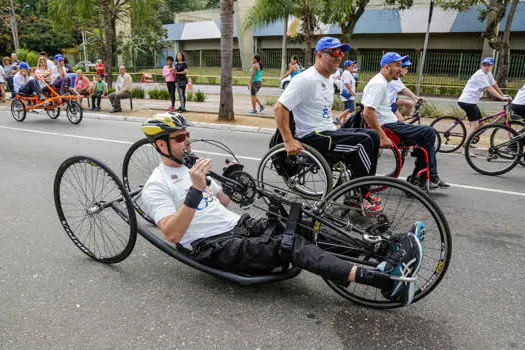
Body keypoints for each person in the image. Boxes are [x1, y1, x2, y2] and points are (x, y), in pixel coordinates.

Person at [140, 113, 425, 305]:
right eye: (179, 138)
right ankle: (385, 281)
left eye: (187, 135)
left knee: (301, 221)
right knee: (291, 245)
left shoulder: (193, 168)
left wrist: (233, 180)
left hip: (240, 225)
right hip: (213, 245)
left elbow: (225, 202)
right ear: (161, 144)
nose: (186, 141)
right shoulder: (156, 186)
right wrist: (195, 189)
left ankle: (385, 248)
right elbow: (173, 234)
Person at [274, 37, 381, 215]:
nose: (338, 57)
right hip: (312, 137)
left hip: (327, 131)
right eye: (333, 53)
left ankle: (359, 190)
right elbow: (279, 108)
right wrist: (288, 140)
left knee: (373, 136)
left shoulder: (329, 79)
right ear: (319, 55)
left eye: (341, 53)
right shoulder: (305, 79)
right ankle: (362, 196)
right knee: (362, 142)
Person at [362, 52, 449, 189]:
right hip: (388, 126)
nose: (401, 69)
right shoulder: (379, 83)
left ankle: (422, 177)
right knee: (429, 132)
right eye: (397, 65)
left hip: (391, 123)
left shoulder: (384, 82)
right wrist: (383, 136)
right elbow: (367, 112)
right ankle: (429, 176)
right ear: (386, 67)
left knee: (424, 139)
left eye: (401, 66)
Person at [458, 57, 512, 135]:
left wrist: (502, 94)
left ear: (492, 66)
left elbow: (494, 84)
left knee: (481, 123)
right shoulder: (480, 74)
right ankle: (467, 143)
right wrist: (501, 98)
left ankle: (472, 137)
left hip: (471, 102)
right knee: (475, 125)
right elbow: (489, 88)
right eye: (484, 65)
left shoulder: (488, 73)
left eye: (488, 65)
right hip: (467, 101)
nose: (486, 67)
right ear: (481, 65)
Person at [338, 59, 357, 124]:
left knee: (346, 109)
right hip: (347, 94)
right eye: (352, 65)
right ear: (347, 66)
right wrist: (351, 91)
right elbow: (346, 83)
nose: (353, 67)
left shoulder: (348, 73)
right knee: (351, 108)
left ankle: (343, 122)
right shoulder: (346, 73)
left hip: (348, 94)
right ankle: (339, 117)